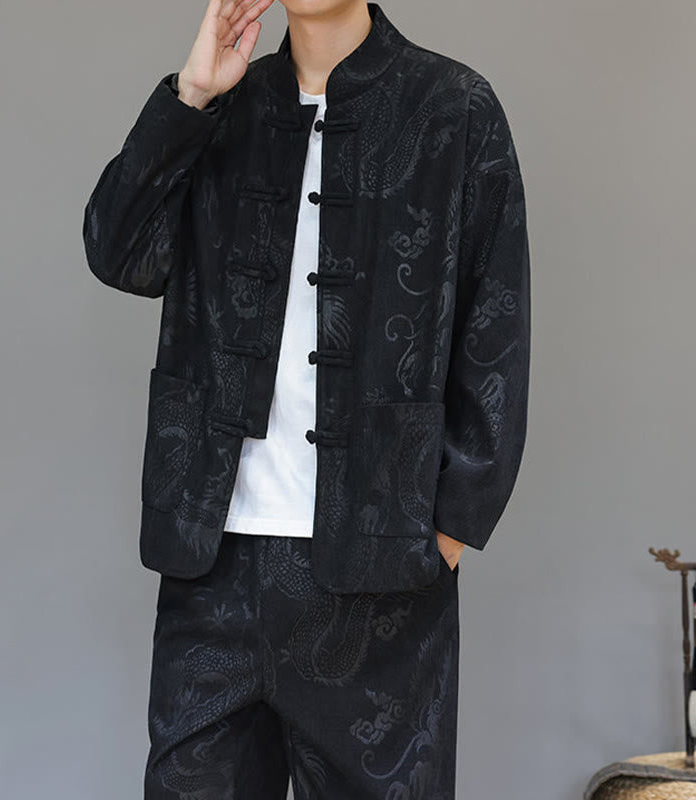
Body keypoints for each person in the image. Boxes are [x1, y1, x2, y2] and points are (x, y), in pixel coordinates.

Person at [82, 0, 530, 797]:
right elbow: (121, 255)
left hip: (381, 571)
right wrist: (192, 95)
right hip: (213, 565)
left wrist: (449, 531)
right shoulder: (225, 107)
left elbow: (497, 321)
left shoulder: (453, 107)